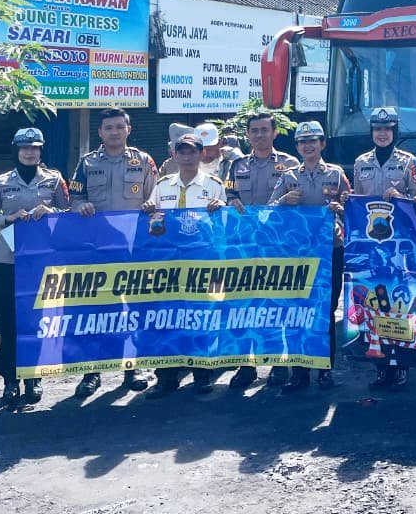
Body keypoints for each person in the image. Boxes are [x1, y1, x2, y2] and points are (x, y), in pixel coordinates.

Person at [68, 107, 158, 397]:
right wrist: (79, 205)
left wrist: (151, 207)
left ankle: (132, 369)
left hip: (133, 249)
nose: (115, 132)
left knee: (132, 309)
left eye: (120, 126)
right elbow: (75, 195)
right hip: (98, 249)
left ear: (128, 129)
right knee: (97, 310)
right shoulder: (87, 162)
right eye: (109, 127)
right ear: (100, 132)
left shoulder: (143, 161)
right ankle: (91, 373)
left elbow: (156, 198)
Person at [0, 127, 70, 404]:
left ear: (41, 151)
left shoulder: (54, 181)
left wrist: (53, 211)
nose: (30, 152)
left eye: (35, 148)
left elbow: (70, 213)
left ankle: (34, 378)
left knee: (37, 321)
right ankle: (10, 379)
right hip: (8, 261)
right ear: (16, 151)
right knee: (9, 322)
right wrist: (9, 218)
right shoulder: (0, 183)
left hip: (42, 261)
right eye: (24, 148)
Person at [216, 109, 300, 390]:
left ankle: (277, 362)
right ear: (248, 135)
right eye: (255, 131)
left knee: (275, 303)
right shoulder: (236, 165)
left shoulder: (289, 163)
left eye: (265, 130)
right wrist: (230, 201)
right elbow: (228, 194)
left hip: (277, 246)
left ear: (275, 133)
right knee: (243, 303)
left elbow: (299, 202)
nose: (260, 135)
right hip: (243, 246)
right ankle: (246, 365)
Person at [143, 133, 228, 398]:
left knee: (200, 316)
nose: (187, 156)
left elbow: (223, 228)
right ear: (174, 155)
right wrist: (148, 210)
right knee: (166, 318)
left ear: (201, 154)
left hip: (202, 261)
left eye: (193, 151)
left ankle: (202, 375)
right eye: (182, 151)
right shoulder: (163, 185)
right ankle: (166, 377)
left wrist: (221, 208)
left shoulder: (214, 186)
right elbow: (152, 225)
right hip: (168, 263)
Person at [271, 121, 351, 392]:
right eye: (302, 142)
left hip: (330, 251)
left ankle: (325, 371)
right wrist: (283, 202)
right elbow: (269, 211)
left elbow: (353, 208)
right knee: (296, 313)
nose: (308, 145)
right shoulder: (288, 176)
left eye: (313, 140)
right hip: (297, 255)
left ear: (322, 143)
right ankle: (299, 373)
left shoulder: (338, 174)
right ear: (297, 147)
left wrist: (340, 208)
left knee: (325, 312)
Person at [351, 107, 416, 391]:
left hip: (399, 247)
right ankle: (381, 366)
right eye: (377, 129)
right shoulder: (360, 162)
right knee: (372, 303)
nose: (382, 133)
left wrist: (402, 197)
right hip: (370, 248)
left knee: (399, 304)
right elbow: (356, 200)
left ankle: (401, 364)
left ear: (395, 132)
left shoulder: (409, 161)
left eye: (387, 129)